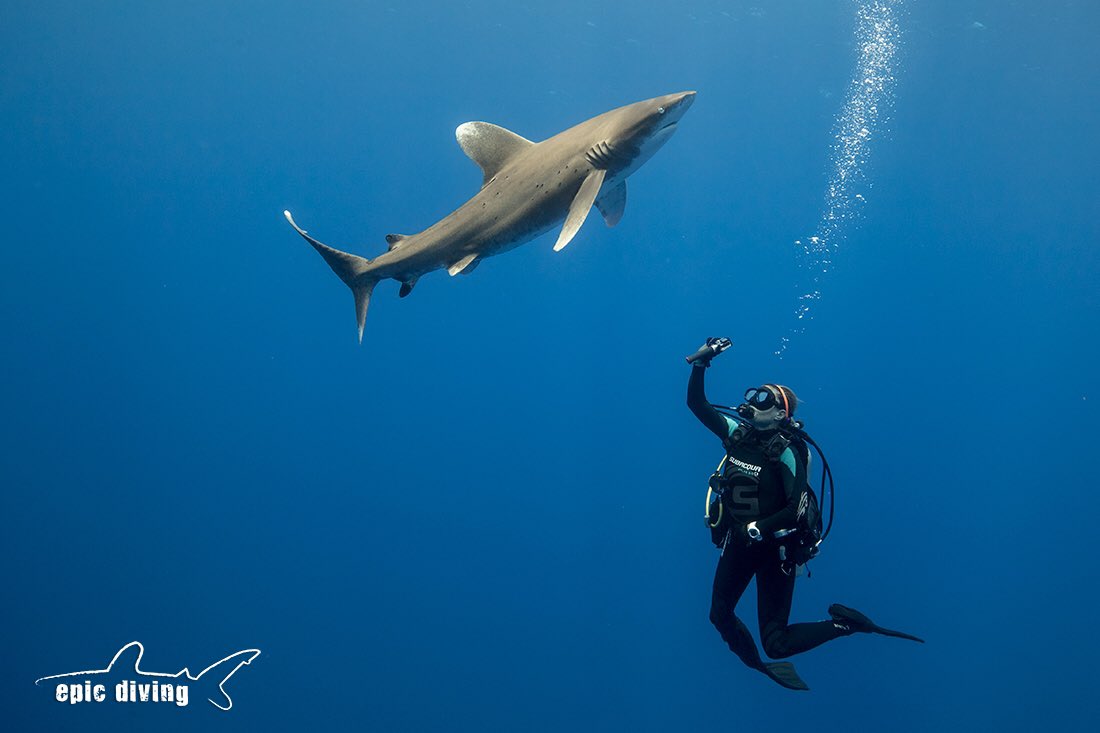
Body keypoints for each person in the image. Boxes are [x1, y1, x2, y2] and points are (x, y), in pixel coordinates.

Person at [686, 338, 922, 691]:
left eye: (763, 399)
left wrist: (758, 528)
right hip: (739, 541)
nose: (751, 404)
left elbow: (795, 510)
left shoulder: (788, 451)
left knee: (777, 642)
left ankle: (846, 626)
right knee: (718, 614)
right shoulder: (738, 435)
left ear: (781, 414)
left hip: (775, 551)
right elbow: (696, 404)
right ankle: (755, 666)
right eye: (752, 396)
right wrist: (700, 364)